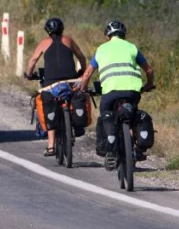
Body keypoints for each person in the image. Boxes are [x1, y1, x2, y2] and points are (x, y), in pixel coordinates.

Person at [78, 19, 154, 170]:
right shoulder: (132, 47)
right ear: (123, 35)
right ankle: (136, 148)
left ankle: (110, 150)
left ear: (107, 36)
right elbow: (149, 70)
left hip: (110, 92)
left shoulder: (101, 49)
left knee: (107, 115)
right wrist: (149, 84)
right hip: (132, 91)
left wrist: (83, 89)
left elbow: (87, 75)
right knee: (131, 114)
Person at [24, 17, 87, 157]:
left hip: (51, 82)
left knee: (49, 107)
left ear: (47, 31)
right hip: (70, 79)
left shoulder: (44, 43)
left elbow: (33, 60)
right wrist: (82, 71)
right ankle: (73, 123)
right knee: (72, 99)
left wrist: (29, 74)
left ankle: (51, 146)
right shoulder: (68, 40)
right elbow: (81, 57)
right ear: (62, 29)